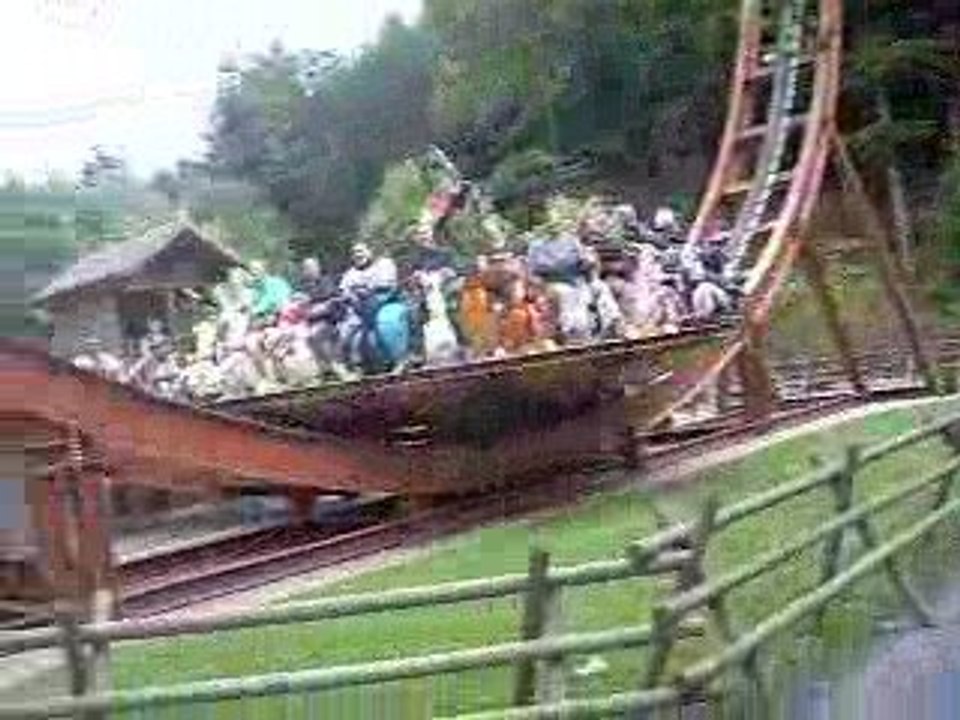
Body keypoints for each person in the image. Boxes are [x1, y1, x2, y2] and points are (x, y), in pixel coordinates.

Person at [249, 260, 294, 324]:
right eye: (252, 269)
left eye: (256, 269)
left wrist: (255, 310)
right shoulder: (252, 286)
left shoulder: (272, 283)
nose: (253, 272)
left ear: (263, 270)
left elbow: (268, 300)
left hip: (279, 314)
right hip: (262, 315)